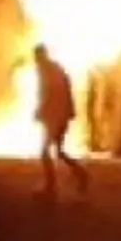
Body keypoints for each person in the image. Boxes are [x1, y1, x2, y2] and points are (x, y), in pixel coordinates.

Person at [32, 44, 89, 197]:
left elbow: (50, 93)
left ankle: (50, 187)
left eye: (36, 57)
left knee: (45, 152)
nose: (35, 61)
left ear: (41, 56)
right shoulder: (53, 69)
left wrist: (41, 110)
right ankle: (81, 174)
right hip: (59, 116)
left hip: (56, 117)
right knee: (59, 151)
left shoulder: (49, 71)